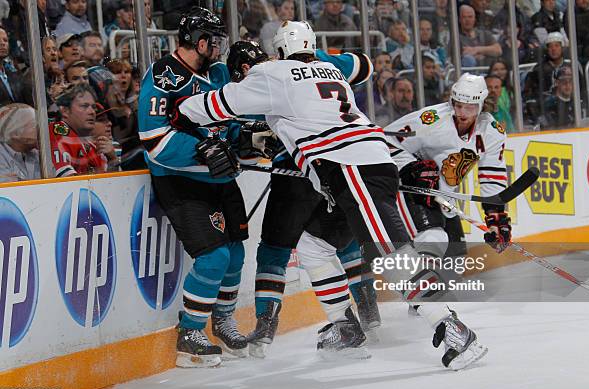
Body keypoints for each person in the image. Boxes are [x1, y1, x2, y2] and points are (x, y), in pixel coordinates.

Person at [175, 21, 488, 370]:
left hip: (351, 168)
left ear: (279, 51)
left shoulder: (273, 73)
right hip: (360, 164)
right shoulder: (331, 69)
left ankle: (452, 328)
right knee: (313, 246)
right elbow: (362, 67)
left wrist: (178, 109)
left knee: (391, 255)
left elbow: (218, 104)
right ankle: (345, 327)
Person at [225, 39, 381, 358]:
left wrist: (249, 141)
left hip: (296, 174)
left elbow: (244, 133)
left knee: (275, 248)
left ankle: (265, 329)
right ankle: (370, 315)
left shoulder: (258, 80)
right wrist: (318, 59)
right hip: (338, 166)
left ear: (242, 68)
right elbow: (365, 64)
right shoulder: (306, 68)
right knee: (345, 240)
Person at [138, 7, 248, 368]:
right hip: (182, 181)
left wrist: (244, 137)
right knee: (213, 256)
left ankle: (223, 319)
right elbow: (154, 141)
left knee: (235, 255)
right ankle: (189, 332)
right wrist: (202, 152)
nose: (218, 47)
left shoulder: (217, 72)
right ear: (199, 41)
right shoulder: (163, 76)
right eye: (214, 40)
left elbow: (227, 122)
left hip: (221, 180)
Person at [385, 73, 506, 369]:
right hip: (413, 191)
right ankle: (434, 311)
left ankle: (422, 299)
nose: (462, 113)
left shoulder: (492, 131)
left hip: (445, 196)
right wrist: (411, 166)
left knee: (454, 262)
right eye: (458, 105)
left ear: (480, 107)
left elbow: (492, 175)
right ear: (452, 100)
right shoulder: (430, 120)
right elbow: (383, 139)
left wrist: (497, 219)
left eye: (469, 108)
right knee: (432, 240)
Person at [49, 83, 119, 176]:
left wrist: (113, 160)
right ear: (65, 111)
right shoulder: (57, 131)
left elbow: (109, 185)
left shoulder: (92, 146)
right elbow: (67, 184)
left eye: (93, 107)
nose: (92, 112)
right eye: (84, 106)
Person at [0, 103, 40, 182]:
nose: (41, 129)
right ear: (15, 134)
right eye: (34, 125)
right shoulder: (1, 156)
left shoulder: (39, 153)